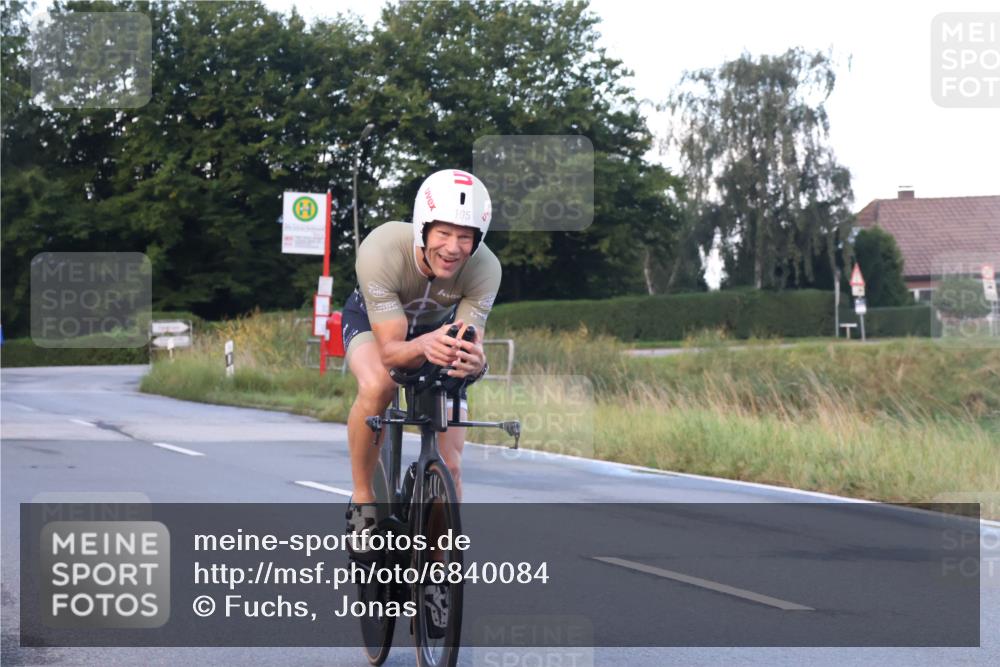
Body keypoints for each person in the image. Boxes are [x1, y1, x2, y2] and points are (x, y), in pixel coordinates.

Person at [341, 169, 501, 552]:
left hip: (438, 333)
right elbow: (392, 350)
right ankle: (363, 498)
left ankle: (435, 564)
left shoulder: (486, 269)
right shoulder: (380, 250)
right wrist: (423, 344)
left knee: (453, 466)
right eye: (443, 234)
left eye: (465, 238)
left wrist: (476, 363)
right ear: (422, 228)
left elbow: (465, 340)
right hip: (374, 324)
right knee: (380, 383)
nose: (453, 248)